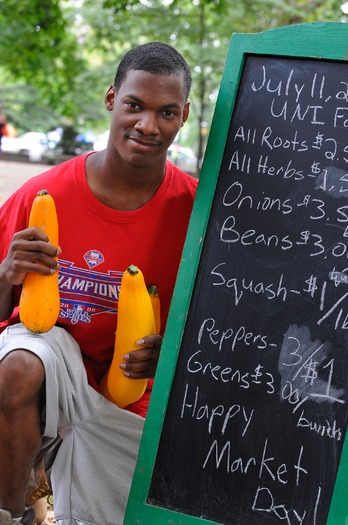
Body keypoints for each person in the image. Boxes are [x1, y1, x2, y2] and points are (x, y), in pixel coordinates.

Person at [0, 42, 197, 525]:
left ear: (184, 116)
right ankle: (9, 510)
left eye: (166, 112)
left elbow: (220, 333)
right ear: (111, 98)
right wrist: (6, 273)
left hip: (134, 395)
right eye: (135, 105)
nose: (148, 125)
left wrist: (173, 351)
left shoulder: (197, 213)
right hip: (53, 367)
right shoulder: (43, 194)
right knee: (19, 366)